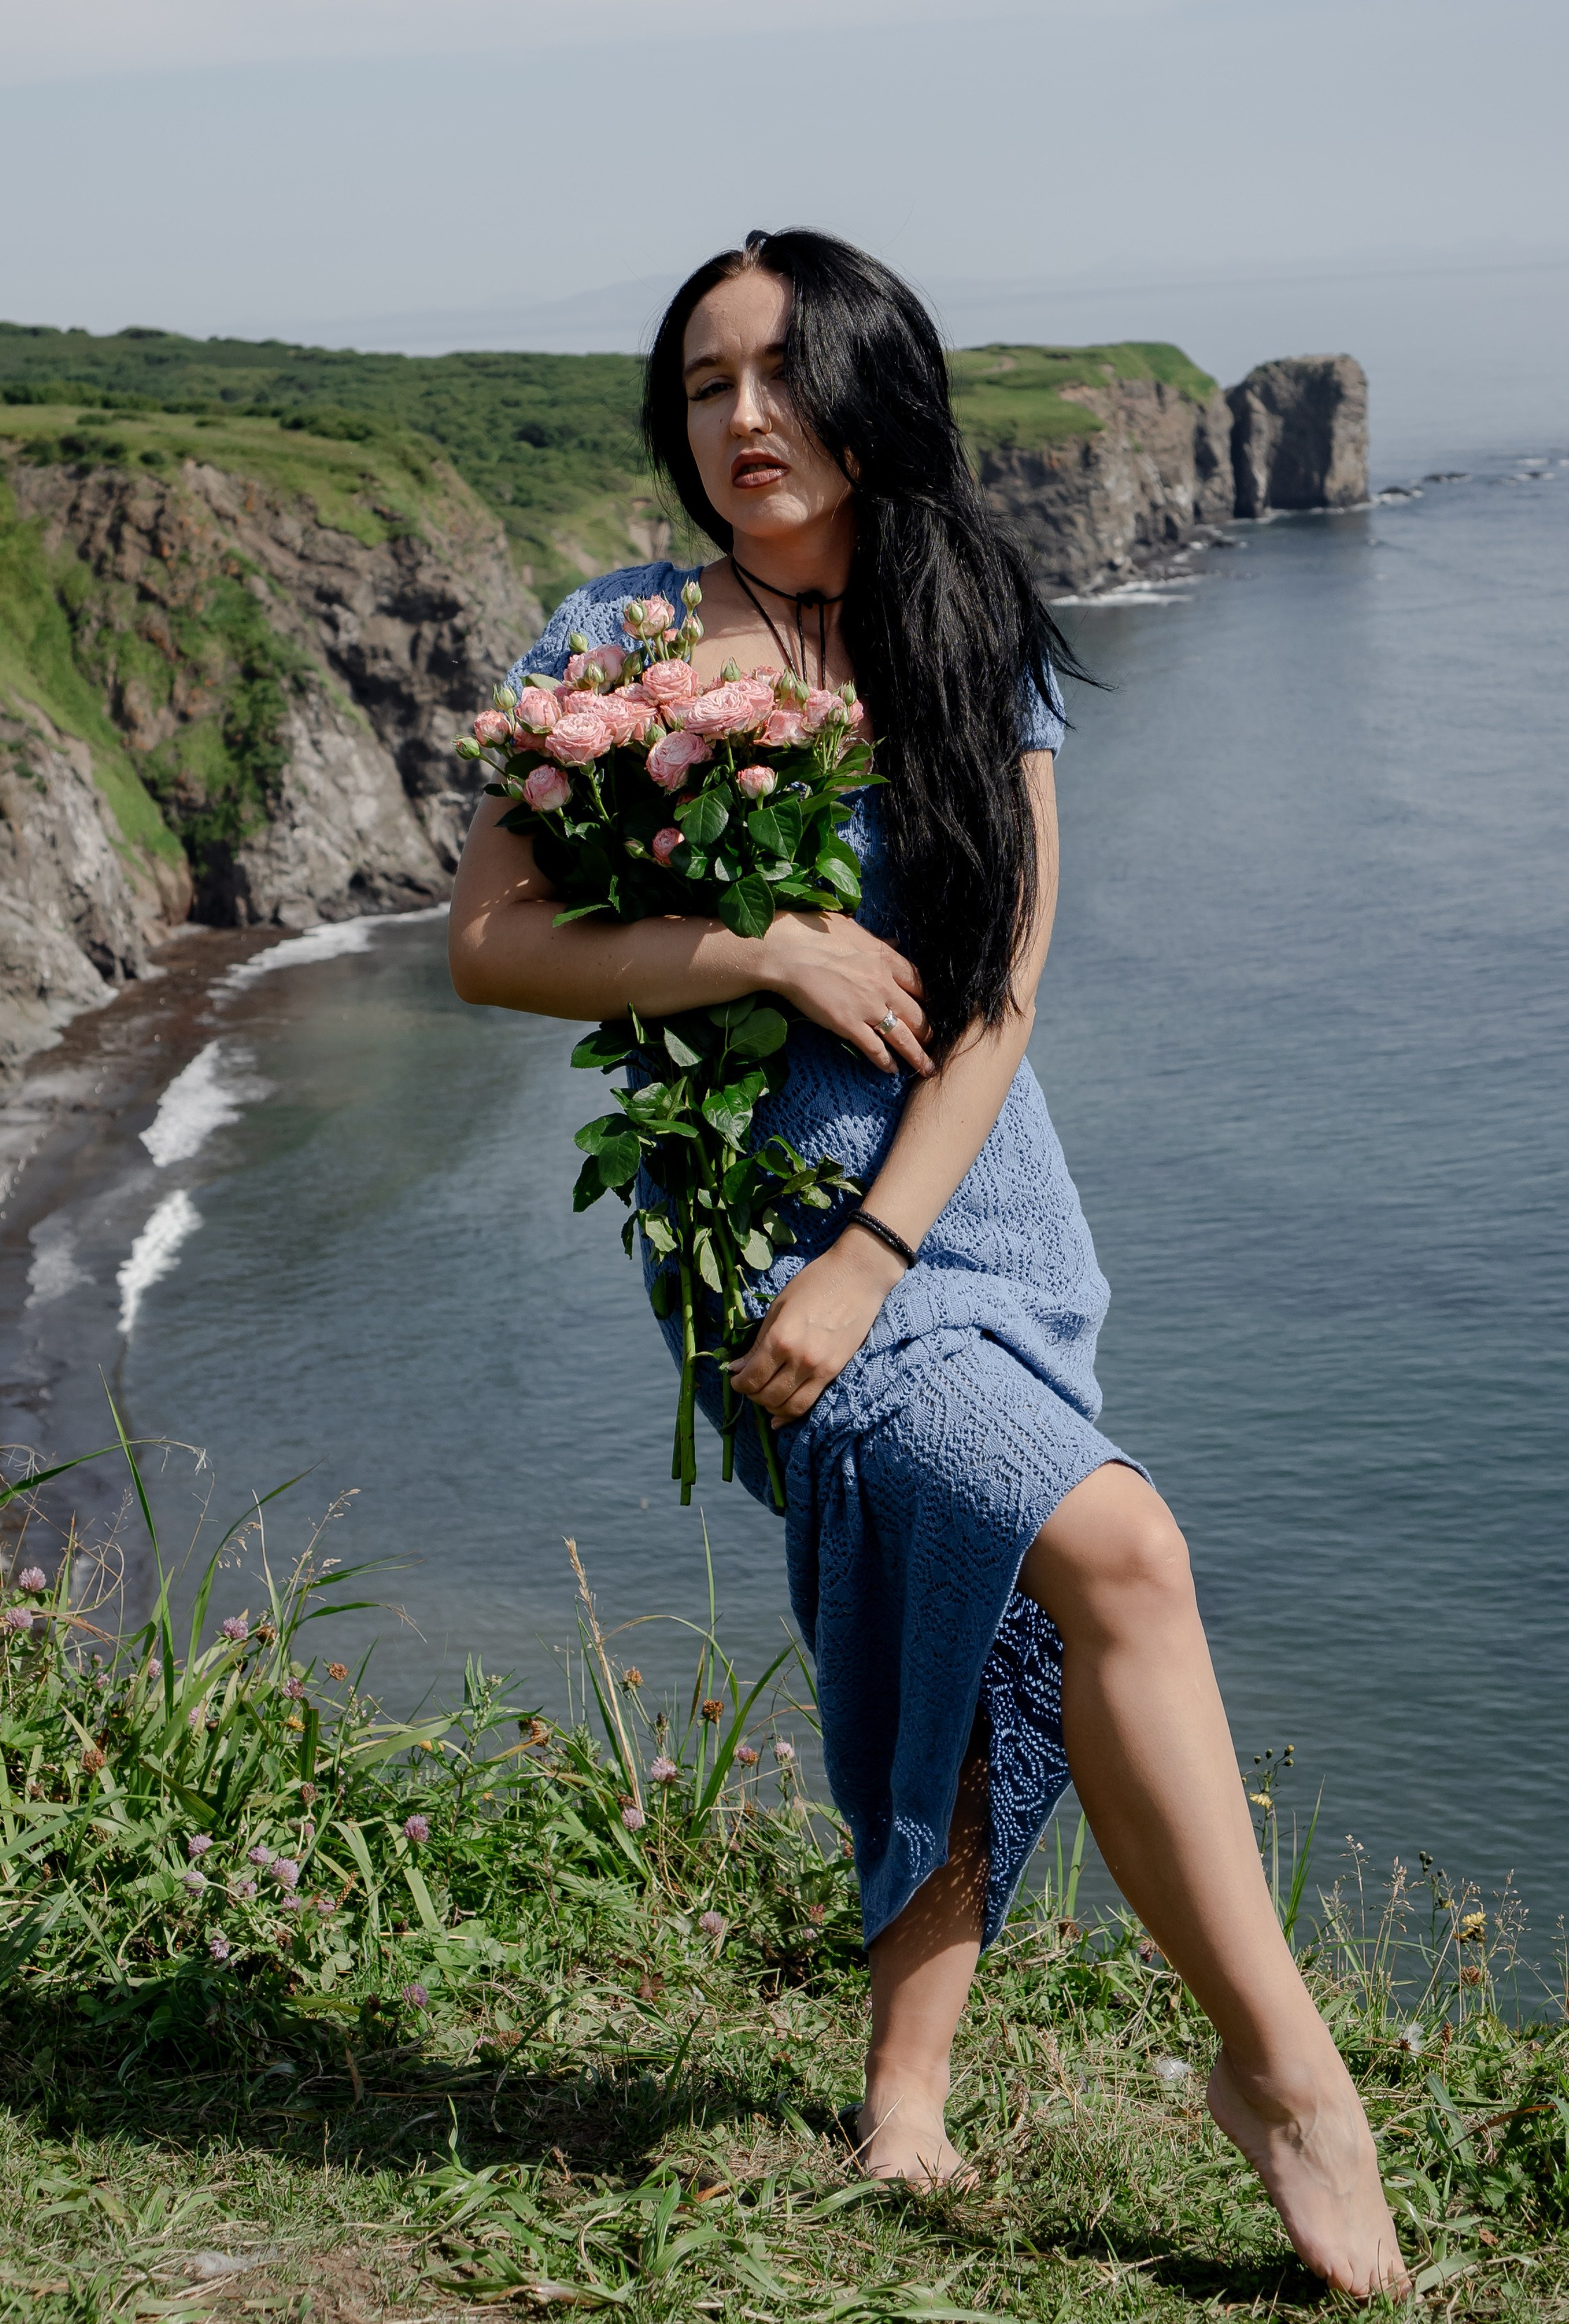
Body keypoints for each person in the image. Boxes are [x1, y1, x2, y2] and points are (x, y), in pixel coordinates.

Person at [448, 229, 1405, 2298]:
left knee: (964, 1606)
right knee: (1118, 1551)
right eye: (705, 385)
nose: (744, 419)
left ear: (874, 387)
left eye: (784, 375)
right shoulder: (614, 640)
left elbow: (1003, 998)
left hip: (967, 1219)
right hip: (756, 1233)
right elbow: (492, 946)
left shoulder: (970, 623)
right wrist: (748, 949)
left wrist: (882, 1256)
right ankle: (1289, 2081)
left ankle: (910, 2099)